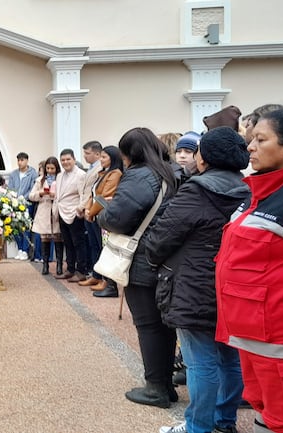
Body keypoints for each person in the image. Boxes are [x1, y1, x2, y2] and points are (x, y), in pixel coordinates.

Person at [215, 108, 283, 433]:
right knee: (266, 414)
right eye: (250, 139)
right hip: (254, 338)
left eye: (260, 139)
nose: (250, 147)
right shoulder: (260, 194)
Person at [146, 127, 250, 433]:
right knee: (230, 357)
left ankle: (198, 427)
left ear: (205, 157)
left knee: (201, 360)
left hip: (194, 285)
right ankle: (223, 421)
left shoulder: (198, 189)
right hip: (233, 284)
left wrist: (153, 260)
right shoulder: (250, 189)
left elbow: (164, 235)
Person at [96, 127, 178, 409]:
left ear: (130, 153)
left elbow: (118, 217)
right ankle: (166, 385)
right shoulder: (172, 171)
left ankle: (155, 388)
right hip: (167, 257)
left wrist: (103, 214)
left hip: (143, 258)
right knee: (164, 326)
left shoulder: (141, 176)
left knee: (148, 324)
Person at [85, 145, 124, 297]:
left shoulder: (115, 173)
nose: (100, 160)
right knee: (97, 247)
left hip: (104, 215)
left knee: (105, 249)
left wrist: (91, 212)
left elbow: (105, 196)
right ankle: (102, 279)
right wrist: (88, 209)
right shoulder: (103, 173)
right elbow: (93, 194)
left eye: (103, 157)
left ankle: (110, 284)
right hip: (95, 214)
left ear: (113, 158)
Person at [53, 149, 88, 282]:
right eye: (63, 160)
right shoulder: (59, 176)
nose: (65, 162)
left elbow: (84, 195)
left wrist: (80, 209)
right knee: (67, 242)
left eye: (68, 159)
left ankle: (81, 271)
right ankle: (70, 269)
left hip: (74, 213)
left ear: (74, 159)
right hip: (61, 212)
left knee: (78, 242)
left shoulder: (81, 175)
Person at [76, 141, 104, 287]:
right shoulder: (91, 168)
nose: (85, 157)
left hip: (95, 209)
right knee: (92, 244)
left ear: (97, 154)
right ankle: (95, 274)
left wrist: (84, 208)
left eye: (88, 153)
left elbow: (93, 193)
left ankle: (101, 276)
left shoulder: (100, 168)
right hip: (88, 209)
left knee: (98, 245)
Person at [28, 156, 61, 275]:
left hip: (56, 210)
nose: (50, 171)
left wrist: (55, 195)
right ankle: (45, 264)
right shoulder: (40, 180)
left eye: (52, 168)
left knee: (58, 238)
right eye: (48, 168)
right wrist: (41, 193)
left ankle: (59, 265)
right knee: (45, 239)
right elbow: (31, 196)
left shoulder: (61, 179)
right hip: (44, 209)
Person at [7, 152, 38, 261]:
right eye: (18, 160)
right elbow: (10, 188)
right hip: (15, 204)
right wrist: (13, 198)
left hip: (27, 203)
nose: (20, 163)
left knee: (25, 227)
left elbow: (33, 188)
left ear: (27, 160)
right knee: (16, 227)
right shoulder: (14, 174)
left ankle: (25, 250)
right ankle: (19, 248)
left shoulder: (32, 173)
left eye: (22, 160)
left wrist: (23, 198)